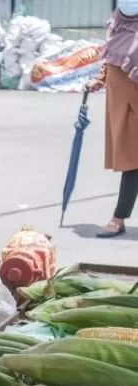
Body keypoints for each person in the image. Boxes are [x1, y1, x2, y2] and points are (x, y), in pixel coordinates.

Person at [86, 1, 138, 238]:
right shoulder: (117, 24)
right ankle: (119, 218)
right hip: (121, 106)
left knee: (133, 161)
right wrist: (99, 80)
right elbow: (111, 58)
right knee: (132, 160)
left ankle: (118, 219)